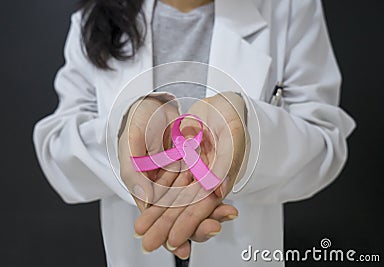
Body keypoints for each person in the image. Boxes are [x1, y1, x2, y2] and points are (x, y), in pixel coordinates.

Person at [33, 0, 355, 266]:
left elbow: (324, 141)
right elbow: (57, 146)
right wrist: (121, 130)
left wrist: (251, 131)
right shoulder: (94, 18)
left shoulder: (290, 8)